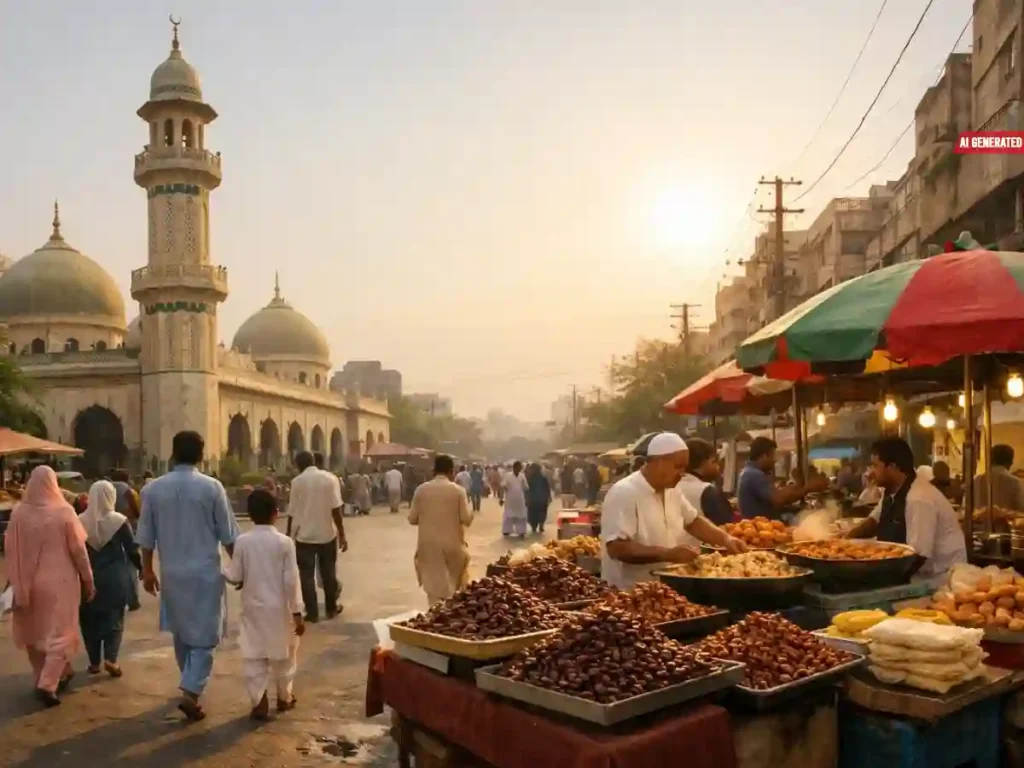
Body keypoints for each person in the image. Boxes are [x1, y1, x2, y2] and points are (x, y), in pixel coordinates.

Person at [136, 431, 240, 722]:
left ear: (173, 453)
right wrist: (243, 567)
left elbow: (145, 536)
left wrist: (146, 570)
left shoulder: (154, 489)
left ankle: (188, 681)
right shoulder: (212, 488)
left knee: (182, 634)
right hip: (205, 573)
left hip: (172, 573)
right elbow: (229, 535)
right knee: (206, 637)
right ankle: (191, 690)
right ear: (201, 454)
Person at [601, 433, 746, 589]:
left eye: (685, 467)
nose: (683, 473)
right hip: (628, 593)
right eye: (678, 466)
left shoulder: (672, 489)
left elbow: (693, 521)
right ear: (658, 462)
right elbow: (617, 548)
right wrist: (667, 554)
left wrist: (726, 539)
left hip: (663, 590)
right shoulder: (624, 492)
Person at [5, 466, 95, 707]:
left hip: (26, 582)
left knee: (35, 633)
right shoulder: (64, 512)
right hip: (60, 583)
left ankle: (43, 677)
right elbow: (79, 551)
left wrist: (12, 581)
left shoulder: (18, 513)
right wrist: (88, 579)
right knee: (62, 633)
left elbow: (10, 550)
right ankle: (47, 683)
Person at [224, 489, 304, 721]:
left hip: (253, 609)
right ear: (276, 514)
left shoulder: (243, 542)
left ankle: (259, 702)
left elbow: (236, 575)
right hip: (281, 610)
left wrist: (221, 570)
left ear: (249, 515)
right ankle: (284, 697)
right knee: (285, 656)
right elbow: (291, 580)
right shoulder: (285, 543)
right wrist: (297, 612)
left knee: (254, 656)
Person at [845, 437, 967, 579]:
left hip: (939, 579)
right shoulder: (892, 492)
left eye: (875, 466)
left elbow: (918, 555)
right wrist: (844, 540)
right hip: (917, 574)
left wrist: (883, 579)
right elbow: (874, 521)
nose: (871, 472)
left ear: (893, 467)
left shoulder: (918, 498)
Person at [79, 480, 141, 678]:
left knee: (89, 621)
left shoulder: (78, 521)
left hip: (87, 577)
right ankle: (111, 659)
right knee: (114, 618)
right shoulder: (119, 521)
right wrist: (142, 569)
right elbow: (132, 549)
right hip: (115, 577)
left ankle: (94, 662)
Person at [287, 451, 346, 623]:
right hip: (327, 533)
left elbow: (292, 511)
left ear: (299, 465)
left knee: (306, 576)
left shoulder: (297, 482)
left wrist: (288, 535)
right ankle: (331, 609)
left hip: (304, 536)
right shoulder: (330, 479)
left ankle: (312, 613)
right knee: (328, 572)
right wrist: (342, 534)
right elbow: (336, 509)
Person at [409, 455, 473, 605]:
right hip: (453, 546)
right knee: (453, 589)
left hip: (428, 546)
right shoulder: (458, 491)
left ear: (434, 471)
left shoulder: (421, 490)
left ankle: (434, 620)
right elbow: (466, 519)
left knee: (434, 590)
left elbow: (412, 519)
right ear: (451, 471)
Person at [737, 437, 827, 519]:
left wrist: (797, 487)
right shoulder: (754, 475)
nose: (775, 461)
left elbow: (781, 497)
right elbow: (779, 499)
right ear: (764, 455)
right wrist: (808, 488)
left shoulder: (750, 472)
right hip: (761, 529)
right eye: (773, 456)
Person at [678, 438, 735, 525]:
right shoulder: (707, 491)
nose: (718, 467)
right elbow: (728, 527)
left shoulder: (671, 486)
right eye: (714, 461)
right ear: (703, 463)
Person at [974, 444, 1024, 512]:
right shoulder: (1015, 482)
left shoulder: (976, 481)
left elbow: (966, 509)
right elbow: (1021, 510)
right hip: (1006, 522)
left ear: (991, 460)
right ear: (1010, 462)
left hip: (977, 522)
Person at [502, 461, 529, 538]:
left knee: (521, 515)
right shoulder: (508, 475)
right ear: (514, 468)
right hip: (510, 499)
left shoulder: (522, 476)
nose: (519, 470)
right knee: (508, 515)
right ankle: (506, 530)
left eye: (520, 468)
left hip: (520, 499)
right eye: (517, 468)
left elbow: (526, 487)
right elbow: (503, 485)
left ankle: (521, 531)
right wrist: (504, 491)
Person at [525, 462, 552, 534]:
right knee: (542, 513)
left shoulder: (529, 478)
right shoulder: (543, 478)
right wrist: (549, 497)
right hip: (542, 499)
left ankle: (534, 527)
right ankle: (541, 526)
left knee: (533, 513)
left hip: (532, 500)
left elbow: (526, 489)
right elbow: (547, 488)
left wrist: (526, 499)